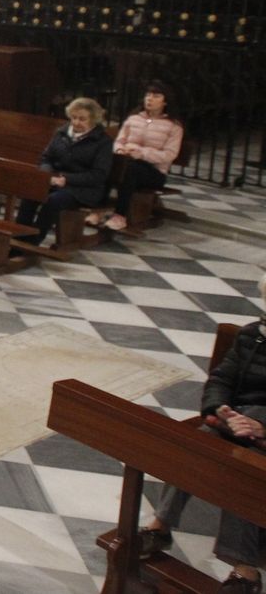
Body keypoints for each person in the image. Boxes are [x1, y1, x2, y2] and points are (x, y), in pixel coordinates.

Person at [133, 272, 265, 594]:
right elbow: (221, 379)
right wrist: (218, 409)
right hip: (235, 422)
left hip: (260, 432)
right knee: (195, 444)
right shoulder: (252, 335)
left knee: (243, 467)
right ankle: (160, 526)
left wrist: (262, 427)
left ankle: (245, 570)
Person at [18, 97, 113, 246]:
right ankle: (19, 235)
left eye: (82, 119)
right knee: (31, 192)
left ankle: (33, 240)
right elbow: (46, 158)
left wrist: (67, 179)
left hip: (84, 189)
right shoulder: (61, 133)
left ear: (93, 120)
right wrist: (47, 174)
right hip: (55, 181)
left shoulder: (103, 142)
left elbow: (99, 175)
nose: (76, 122)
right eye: (74, 117)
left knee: (54, 201)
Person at [98, 80, 184, 232]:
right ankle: (98, 209)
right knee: (108, 164)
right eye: (148, 95)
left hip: (154, 171)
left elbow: (170, 154)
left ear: (165, 102)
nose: (150, 99)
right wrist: (120, 150)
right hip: (127, 162)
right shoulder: (134, 119)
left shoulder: (174, 126)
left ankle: (120, 215)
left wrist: (142, 154)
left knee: (129, 170)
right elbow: (119, 141)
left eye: (156, 96)